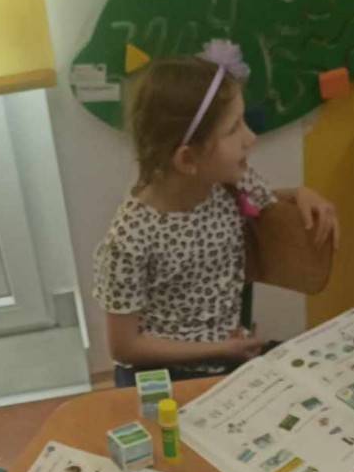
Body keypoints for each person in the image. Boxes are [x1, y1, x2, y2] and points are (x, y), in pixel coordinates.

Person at [93, 50, 339, 387]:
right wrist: (222, 349)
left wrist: (299, 194)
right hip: (162, 378)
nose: (250, 138)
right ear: (187, 160)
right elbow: (125, 346)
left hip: (227, 361)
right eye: (234, 129)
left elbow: (265, 202)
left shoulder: (229, 183)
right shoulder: (129, 241)